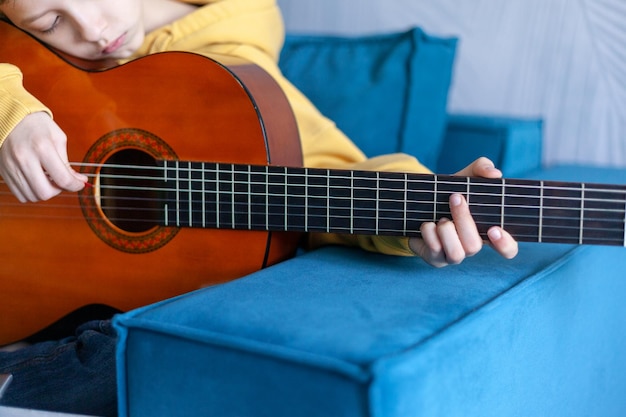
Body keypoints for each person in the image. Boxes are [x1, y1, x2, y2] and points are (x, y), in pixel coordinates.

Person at [0, 0, 519, 415]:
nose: (91, 26)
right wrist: (10, 110)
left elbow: (332, 176)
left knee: (180, 347)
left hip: (93, 317)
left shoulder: (228, 68)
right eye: (50, 20)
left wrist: (419, 211)